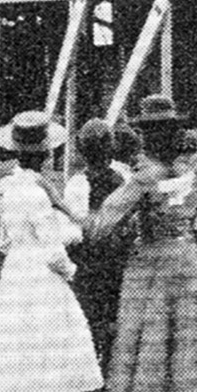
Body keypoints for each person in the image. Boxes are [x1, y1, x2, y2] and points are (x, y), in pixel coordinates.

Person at [91, 95, 197, 392]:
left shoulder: (144, 178)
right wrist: (192, 225)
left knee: (148, 330)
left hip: (150, 258)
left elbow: (102, 224)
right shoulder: (194, 167)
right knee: (184, 328)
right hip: (186, 254)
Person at [0, 112, 103, 392]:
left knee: (20, 340)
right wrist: (70, 270)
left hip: (16, 270)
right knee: (49, 338)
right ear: (47, 155)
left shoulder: (8, 189)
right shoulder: (37, 193)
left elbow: (4, 242)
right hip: (41, 271)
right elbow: (53, 251)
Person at [63, 119, 131, 367]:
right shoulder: (124, 175)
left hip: (89, 258)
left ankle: (93, 371)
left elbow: (73, 227)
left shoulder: (75, 184)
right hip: (119, 254)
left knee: (91, 316)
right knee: (116, 314)